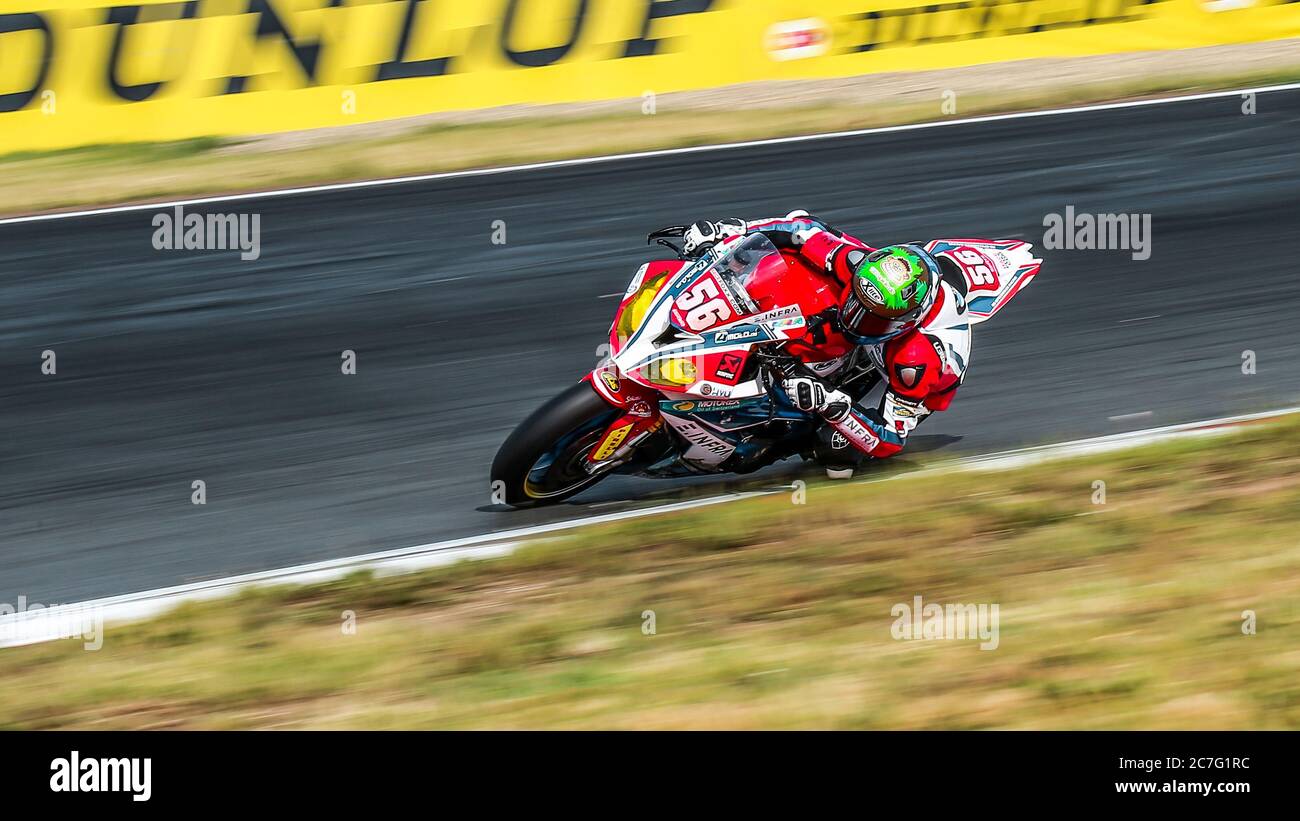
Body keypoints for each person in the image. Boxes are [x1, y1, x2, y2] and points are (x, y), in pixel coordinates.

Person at [682, 211, 970, 477]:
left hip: (915, 386)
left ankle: (787, 439)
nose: (856, 317)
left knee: (835, 451)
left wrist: (831, 402)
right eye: (857, 300)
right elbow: (801, 227)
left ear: (907, 322)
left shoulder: (915, 359)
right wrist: (731, 230)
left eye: (874, 318)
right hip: (877, 326)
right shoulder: (854, 263)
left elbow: (891, 439)